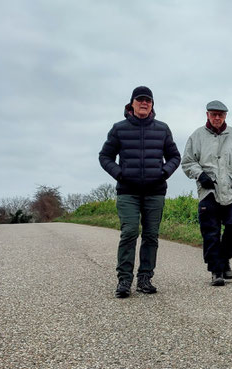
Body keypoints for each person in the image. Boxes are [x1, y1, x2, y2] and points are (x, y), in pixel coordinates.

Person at [99, 86, 181, 298]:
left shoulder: (162, 129)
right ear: (132, 103)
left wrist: (164, 172)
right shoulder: (119, 129)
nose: (144, 103)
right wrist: (119, 174)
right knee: (129, 232)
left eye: (148, 100)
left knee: (151, 235)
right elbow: (105, 157)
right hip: (128, 191)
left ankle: (145, 277)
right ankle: (124, 280)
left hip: (155, 191)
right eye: (140, 100)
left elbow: (174, 157)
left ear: (152, 105)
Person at [182, 100, 232, 286]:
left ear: (225, 116)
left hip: (231, 191)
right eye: (213, 114)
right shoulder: (196, 137)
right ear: (207, 115)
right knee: (211, 233)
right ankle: (216, 271)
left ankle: (224, 258)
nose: (217, 117)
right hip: (209, 192)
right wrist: (200, 175)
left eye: (220, 114)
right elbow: (188, 162)